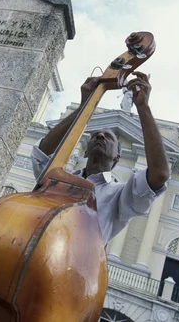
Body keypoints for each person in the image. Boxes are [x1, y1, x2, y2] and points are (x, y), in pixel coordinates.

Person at [31, 72, 169, 244]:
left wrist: (143, 107)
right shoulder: (59, 177)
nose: (101, 136)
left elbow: (160, 174)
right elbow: (41, 155)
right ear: (86, 152)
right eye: (96, 135)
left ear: (117, 157)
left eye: (108, 137)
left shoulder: (119, 195)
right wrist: (84, 107)